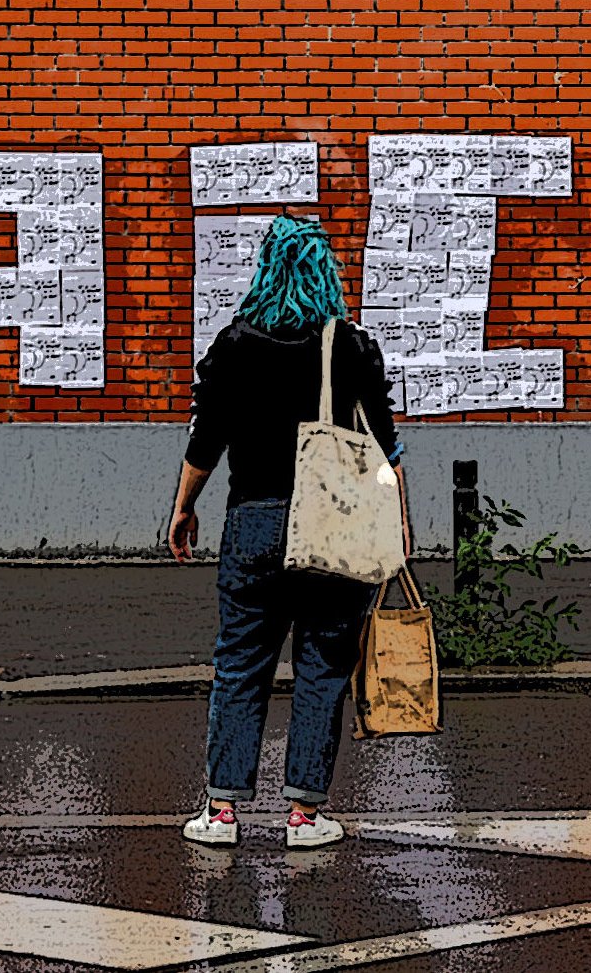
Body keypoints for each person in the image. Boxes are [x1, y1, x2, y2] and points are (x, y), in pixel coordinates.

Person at [168, 213, 409, 850]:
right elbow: (386, 449)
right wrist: (396, 528)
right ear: (325, 272)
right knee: (323, 666)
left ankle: (221, 812)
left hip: (254, 519)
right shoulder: (351, 346)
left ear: (265, 268)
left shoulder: (234, 345)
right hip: (333, 525)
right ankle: (304, 814)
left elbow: (206, 439)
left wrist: (183, 507)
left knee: (240, 663)